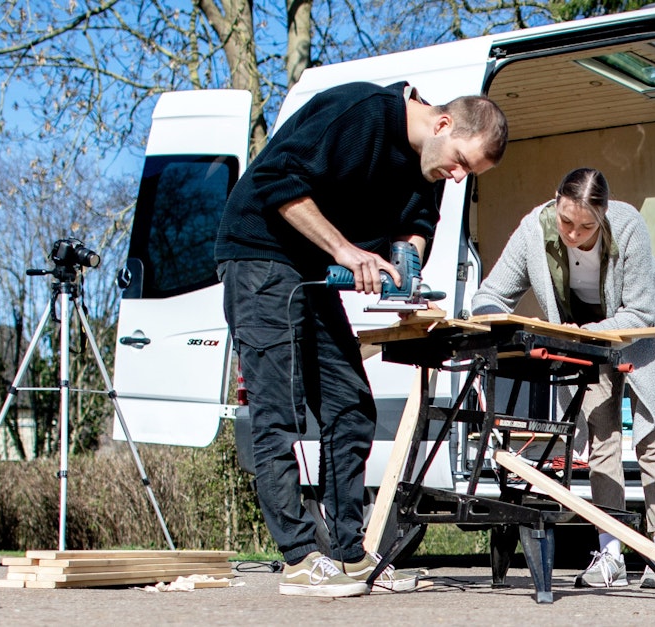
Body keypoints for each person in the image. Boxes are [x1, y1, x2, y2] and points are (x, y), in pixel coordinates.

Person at [217, 81, 507, 597]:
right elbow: (277, 180)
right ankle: (300, 559)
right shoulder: (360, 114)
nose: (458, 176)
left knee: (350, 404)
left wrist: (407, 265)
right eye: (461, 161)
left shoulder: (431, 166)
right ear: (442, 125)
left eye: (469, 174)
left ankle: (349, 554)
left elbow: (417, 224)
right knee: (277, 409)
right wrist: (347, 251)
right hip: (258, 254)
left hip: (308, 264)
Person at [470, 168, 655, 589]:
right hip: (585, 339)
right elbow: (490, 294)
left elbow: (641, 311)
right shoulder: (534, 231)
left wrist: (584, 334)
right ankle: (609, 554)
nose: (574, 233)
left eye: (587, 226)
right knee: (600, 438)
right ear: (556, 201)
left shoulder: (628, 227)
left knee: (654, 439)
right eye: (567, 221)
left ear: (604, 215)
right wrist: (495, 323)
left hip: (642, 329)